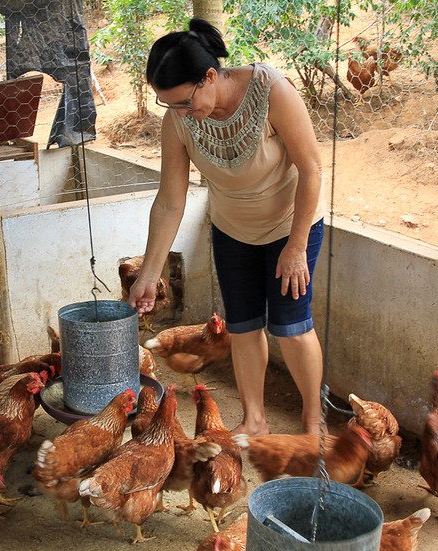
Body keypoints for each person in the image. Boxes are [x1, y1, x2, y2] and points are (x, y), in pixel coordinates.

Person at [127, 18, 326, 436]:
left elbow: (311, 169)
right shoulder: (179, 121)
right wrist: (149, 274)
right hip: (233, 228)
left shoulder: (273, 92)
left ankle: (312, 423)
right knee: (242, 324)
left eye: (183, 102)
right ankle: (254, 420)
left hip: (291, 223)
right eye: (169, 105)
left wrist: (296, 246)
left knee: (291, 326)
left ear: (210, 77)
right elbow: (169, 201)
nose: (180, 113)